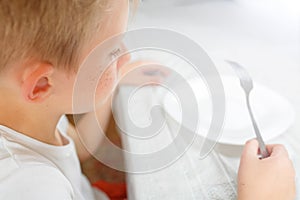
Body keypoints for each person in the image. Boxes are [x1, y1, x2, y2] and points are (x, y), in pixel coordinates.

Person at [0, 0, 295, 200]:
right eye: (112, 52)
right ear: (40, 85)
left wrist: (110, 79)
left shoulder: (24, 113)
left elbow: (76, 147)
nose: (126, 56)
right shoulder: (33, 188)